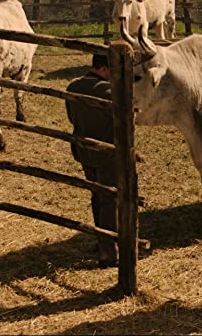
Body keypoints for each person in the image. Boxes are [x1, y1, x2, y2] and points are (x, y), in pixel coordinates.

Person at [65, 54, 118, 268]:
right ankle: (109, 252)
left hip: (83, 150)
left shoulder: (72, 86)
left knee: (97, 196)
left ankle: (101, 241)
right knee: (110, 201)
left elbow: (71, 117)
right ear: (105, 69)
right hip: (106, 153)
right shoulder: (108, 92)